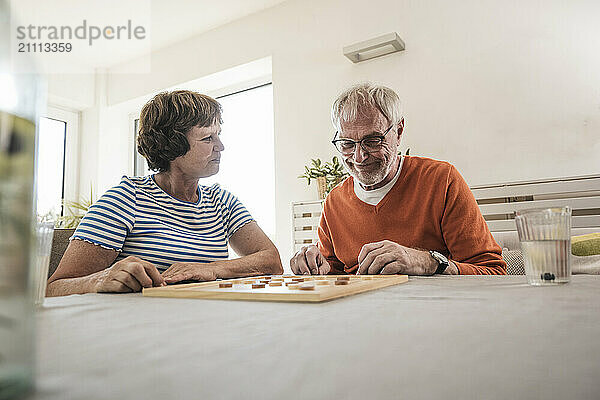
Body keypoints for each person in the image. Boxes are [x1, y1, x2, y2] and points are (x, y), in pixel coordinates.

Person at [47, 90, 282, 296]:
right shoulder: (126, 198)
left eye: (218, 134)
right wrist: (98, 280)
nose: (220, 146)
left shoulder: (223, 202)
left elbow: (271, 260)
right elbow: (54, 288)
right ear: (173, 145)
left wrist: (211, 268)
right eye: (208, 137)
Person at [290, 83, 506, 276]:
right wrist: (314, 266)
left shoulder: (441, 180)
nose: (359, 157)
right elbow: (332, 271)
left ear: (399, 131)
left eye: (373, 140)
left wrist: (427, 262)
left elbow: (493, 271)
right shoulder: (334, 202)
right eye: (347, 144)